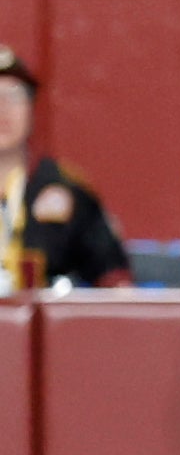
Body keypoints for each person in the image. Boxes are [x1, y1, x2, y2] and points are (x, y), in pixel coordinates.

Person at [0, 47, 128, 287]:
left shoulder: (66, 188)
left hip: (40, 321)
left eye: (15, 96)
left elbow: (115, 280)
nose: (2, 109)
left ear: (31, 109)